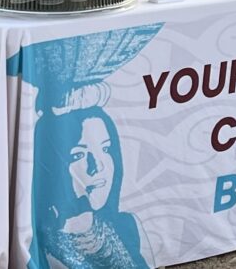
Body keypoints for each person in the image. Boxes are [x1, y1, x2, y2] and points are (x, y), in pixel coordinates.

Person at [30, 107, 152, 269]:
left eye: (105, 149)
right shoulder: (36, 246)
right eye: (78, 155)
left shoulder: (128, 225)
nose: (98, 166)